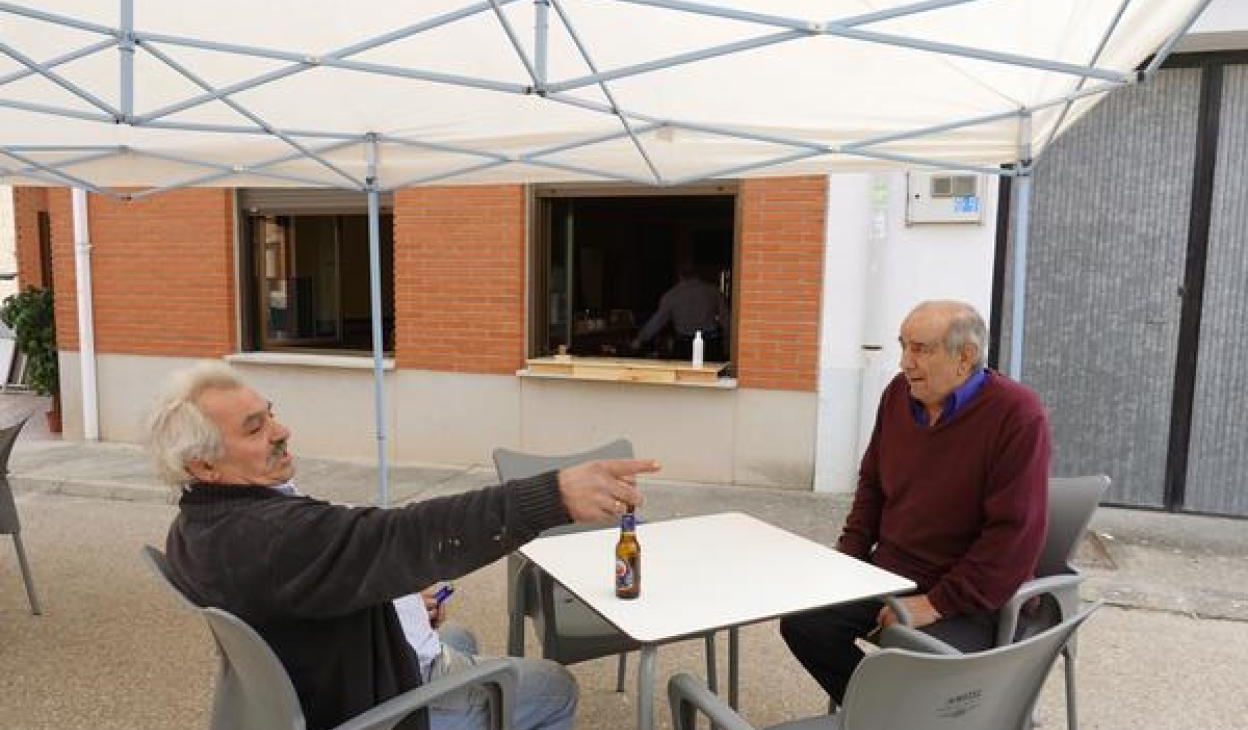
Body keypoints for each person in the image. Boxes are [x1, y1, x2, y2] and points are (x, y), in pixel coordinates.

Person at [146, 362, 659, 730]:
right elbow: (400, 536)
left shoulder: (198, 524)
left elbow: (333, 563)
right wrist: (553, 496)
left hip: (326, 672)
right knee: (553, 685)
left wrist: (398, 604)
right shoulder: (272, 536)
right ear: (204, 465)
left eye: (271, 413)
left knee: (458, 633)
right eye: (255, 428)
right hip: (372, 704)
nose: (281, 431)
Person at [779, 300, 1050, 708]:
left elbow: (1012, 537)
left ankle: (900, 714)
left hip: (971, 597)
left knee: (919, 665)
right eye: (903, 346)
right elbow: (872, 484)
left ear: (965, 357)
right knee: (804, 623)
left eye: (921, 349)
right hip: (891, 575)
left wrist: (936, 603)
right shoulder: (897, 395)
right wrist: (847, 559)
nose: (905, 362)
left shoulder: (1016, 415)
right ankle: (887, 715)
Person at [631, 262, 729, 361]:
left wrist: (640, 339)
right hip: (710, 344)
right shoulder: (713, 291)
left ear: (680, 276)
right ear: (697, 274)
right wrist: (730, 341)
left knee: (684, 375)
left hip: (684, 345)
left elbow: (658, 321)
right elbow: (725, 318)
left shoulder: (671, 295)